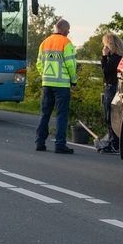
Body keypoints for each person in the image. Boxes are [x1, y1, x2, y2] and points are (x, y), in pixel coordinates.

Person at [34, 18, 77, 154]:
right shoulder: (66, 43)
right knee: (61, 115)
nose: (68, 32)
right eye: (68, 29)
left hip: (47, 84)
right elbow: (71, 64)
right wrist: (73, 81)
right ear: (64, 29)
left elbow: (39, 64)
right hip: (62, 85)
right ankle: (60, 144)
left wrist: (45, 76)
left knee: (44, 114)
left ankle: (39, 143)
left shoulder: (44, 43)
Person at [99, 32, 123, 153]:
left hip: (111, 88)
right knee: (111, 116)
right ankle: (114, 142)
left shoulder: (115, 59)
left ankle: (113, 143)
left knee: (109, 116)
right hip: (115, 87)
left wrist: (104, 57)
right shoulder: (120, 58)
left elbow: (105, 72)